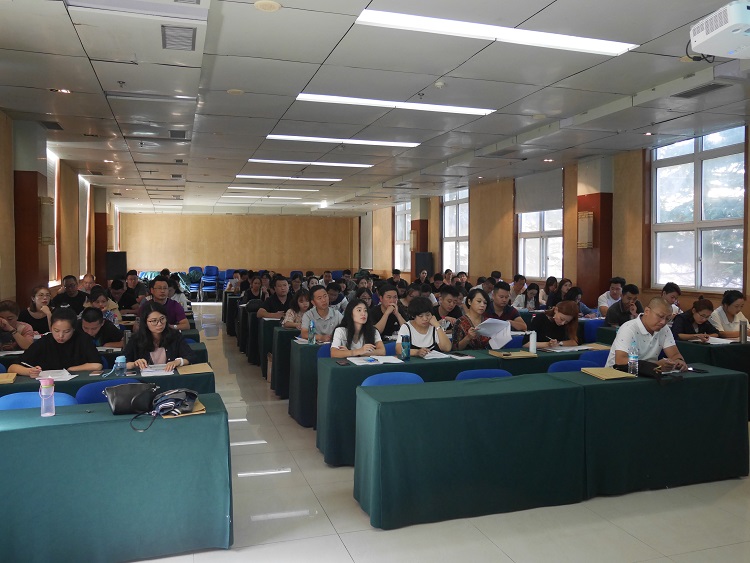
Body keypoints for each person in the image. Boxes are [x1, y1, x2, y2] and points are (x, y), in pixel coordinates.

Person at [9, 307, 102, 377]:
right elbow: (12, 368)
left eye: (66, 331)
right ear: (51, 327)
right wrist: (29, 371)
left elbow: (97, 365)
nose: (60, 336)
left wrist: (71, 369)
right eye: (56, 330)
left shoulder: (83, 339)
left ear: (73, 329)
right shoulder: (44, 342)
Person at [605, 297, 687, 371]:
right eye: (660, 316)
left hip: (647, 373)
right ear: (647, 311)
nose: (663, 322)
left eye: (667, 319)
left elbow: (674, 354)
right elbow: (620, 361)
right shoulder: (628, 329)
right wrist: (654, 365)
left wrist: (679, 361)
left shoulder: (664, 329)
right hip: (618, 374)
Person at [124, 301, 196, 371]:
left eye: (162, 319)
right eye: (154, 321)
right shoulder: (136, 339)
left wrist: (178, 362)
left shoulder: (175, 335)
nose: (159, 324)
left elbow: (191, 357)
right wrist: (134, 364)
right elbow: (122, 362)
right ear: (145, 323)